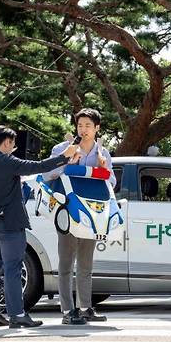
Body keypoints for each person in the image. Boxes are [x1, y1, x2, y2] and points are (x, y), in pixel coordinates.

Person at [0, 126, 79, 328]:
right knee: (12, 268)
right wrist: (64, 157)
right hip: (10, 224)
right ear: (6, 142)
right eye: (12, 144)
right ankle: (17, 315)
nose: (13, 148)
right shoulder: (6, 161)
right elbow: (37, 166)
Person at [42, 108, 115, 324]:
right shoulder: (61, 148)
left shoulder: (103, 153)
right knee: (66, 263)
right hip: (67, 211)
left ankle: (85, 308)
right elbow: (47, 175)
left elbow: (111, 184)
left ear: (97, 128)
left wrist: (104, 170)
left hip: (91, 213)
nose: (83, 130)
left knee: (85, 264)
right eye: (80, 125)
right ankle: (67, 311)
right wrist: (66, 162)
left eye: (88, 126)